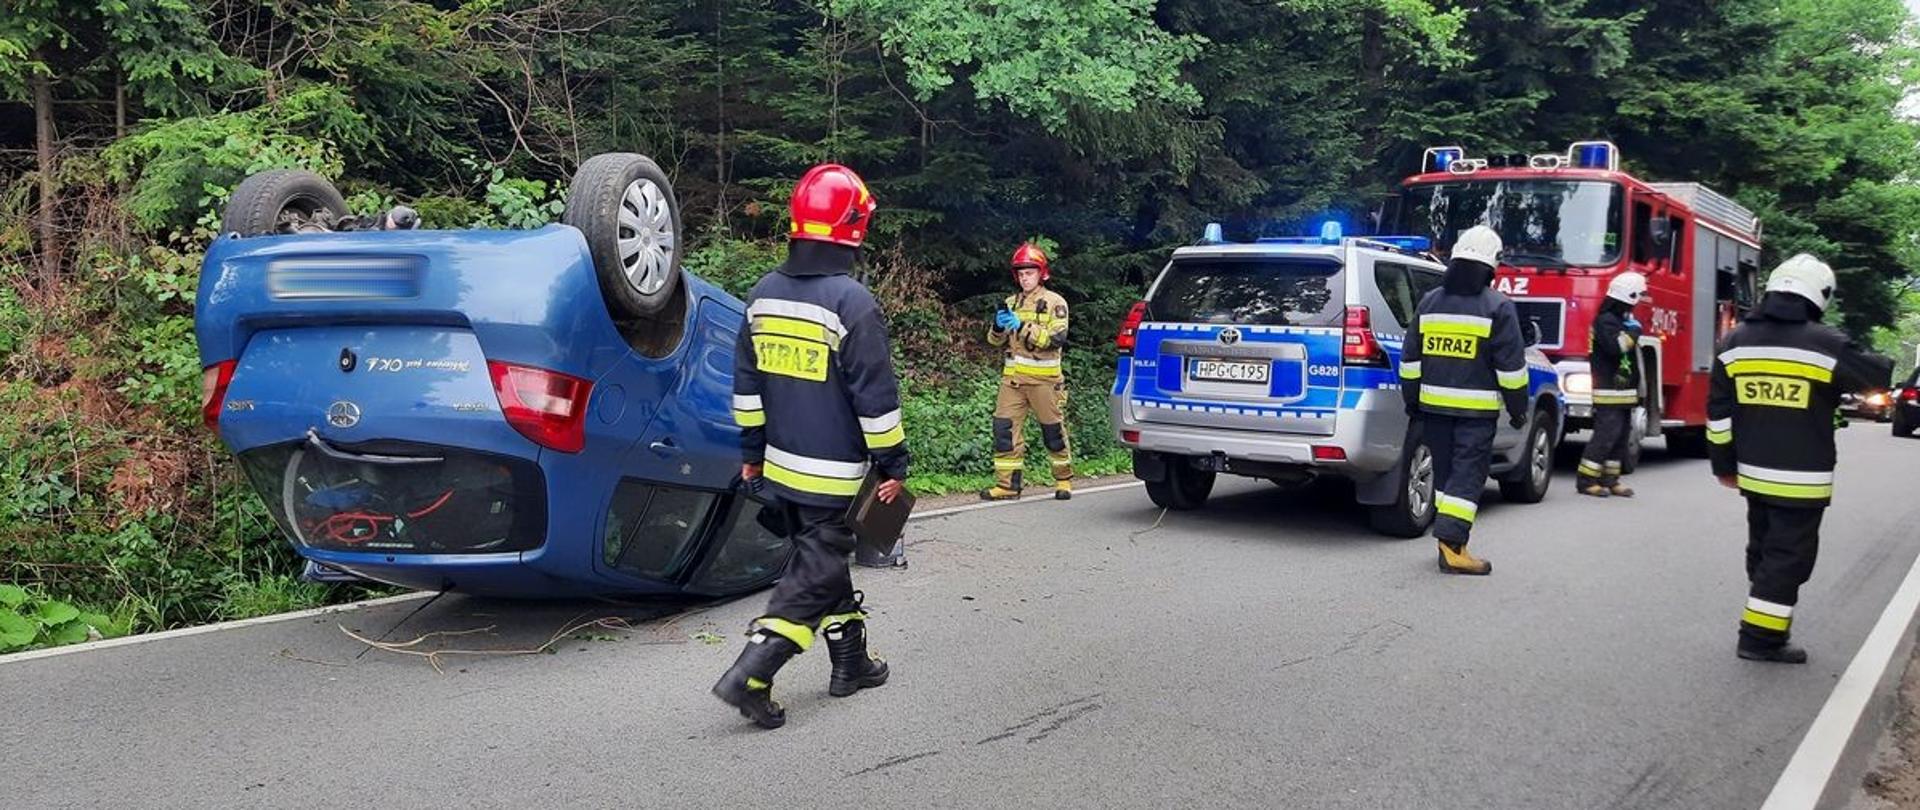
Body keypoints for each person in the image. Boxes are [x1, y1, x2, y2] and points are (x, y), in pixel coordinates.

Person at [714, 163, 908, 728]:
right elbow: (876, 400)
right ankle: (752, 670)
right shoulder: (852, 303)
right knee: (815, 574)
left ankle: (852, 663)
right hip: (834, 477)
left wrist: (752, 454)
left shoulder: (761, 296)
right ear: (854, 227)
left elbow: (746, 390)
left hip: (780, 470)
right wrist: (893, 463)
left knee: (823, 565)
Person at [1708, 254, 1891, 664]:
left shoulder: (1734, 342)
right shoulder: (1826, 344)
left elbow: (1718, 414)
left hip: (1751, 474)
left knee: (1764, 550)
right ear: (1819, 295)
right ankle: (1759, 639)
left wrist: (1723, 465)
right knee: (1789, 557)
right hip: (1801, 478)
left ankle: (1767, 614)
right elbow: (1878, 375)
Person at [1398, 225, 1530, 575]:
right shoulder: (1498, 306)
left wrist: (1412, 402)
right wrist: (1519, 411)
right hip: (1475, 415)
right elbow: (1512, 370)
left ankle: (1449, 542)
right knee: (1467, 477)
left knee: (1445, 478)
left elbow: (1410, 361)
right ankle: (1453, 547)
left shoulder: (1429, 302)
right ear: (1491, 266)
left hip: (1433, 410)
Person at [981, 242, 1074, 501]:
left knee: (1053, 432)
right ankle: (1008, 485)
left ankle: (1063, 479)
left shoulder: (1056, 302)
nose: (1024, 278)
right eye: (1021, 274)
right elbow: (995, 341)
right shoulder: (1010, 302)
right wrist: (998, 327)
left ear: (1041, 274)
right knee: (1004, 429)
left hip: (1044, 382)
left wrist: (1021, 325)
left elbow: (1055, 339)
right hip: (1013, 381)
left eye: (1029, 273)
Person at [1577, 271, 1648, 497]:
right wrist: (1633, 332)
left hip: (1622, 391)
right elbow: (1616, 347)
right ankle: (1587, 480)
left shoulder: (1618, 320)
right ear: (1630, 296)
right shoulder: (1605, 321)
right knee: (1606, 435)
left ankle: (1610, 479)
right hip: (1608, 390)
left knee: (1620, 436)